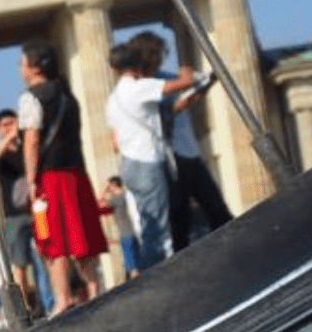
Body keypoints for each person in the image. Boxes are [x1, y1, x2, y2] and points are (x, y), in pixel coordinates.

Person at [19, 40, 109, 315]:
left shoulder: (31, 98)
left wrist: (31, 179)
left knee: (52, 238)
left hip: (50, 178)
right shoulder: (69, 97)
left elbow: (32, 141)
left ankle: (63, 297)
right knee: (81, 234)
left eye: (22, 63)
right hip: (76, 174)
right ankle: (94, 288)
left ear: (34, 68)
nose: (20, 68)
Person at [128, 31, 231, 251]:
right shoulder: (138, 87)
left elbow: (185, 99)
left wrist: (203, 84)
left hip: (187, 151)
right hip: (166, 158)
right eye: (156, 54)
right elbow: (169, 111)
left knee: (216, 210)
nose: (161, 58)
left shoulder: (165, 76)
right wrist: (185, 82)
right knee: (179, 220)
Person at [105, 41, 194, 269]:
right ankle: (162, 270)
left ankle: (150, 266)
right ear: (136, 67)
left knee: (146, 221)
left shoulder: (112, 100)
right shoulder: (139, 87)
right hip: (146, 161)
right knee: (158, 225)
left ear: (112, 69)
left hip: (128, 164)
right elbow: (183, 83)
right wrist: (186, 71)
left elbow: (114, 140)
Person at [0, 108, 44, 318]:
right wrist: (11, 136)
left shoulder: (26, 148)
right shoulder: (0, 152)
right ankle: (24, 308)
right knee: (19, 264)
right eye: (4, 125)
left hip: (35, 211)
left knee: (44, 257)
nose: (9, 127)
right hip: (13, 216)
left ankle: (46, 302)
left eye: (12, 123)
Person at [99, 175, 142, 279]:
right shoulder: (125, 196)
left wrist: (103, 190)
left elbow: (98, 203)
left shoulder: (117, 198)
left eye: (109, 187)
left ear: (114, 185)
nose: (109, 190)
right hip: (133, 233)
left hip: (126, 235)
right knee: (139, 264)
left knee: (132, 268)